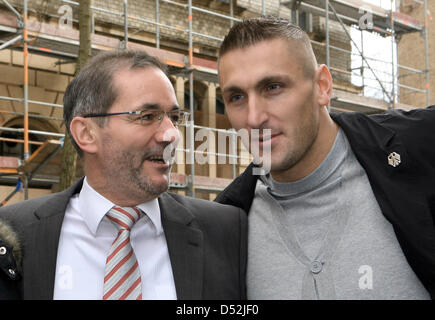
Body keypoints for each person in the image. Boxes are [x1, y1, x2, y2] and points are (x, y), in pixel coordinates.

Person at [215, 16, 435, 299]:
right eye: (236, 97)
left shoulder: (419, 149)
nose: (254, 117)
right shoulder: (227, 223)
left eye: (273, 87)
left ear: (322, 86)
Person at [0, 50, 247, 300]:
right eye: (147, 116)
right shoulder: (11, 233)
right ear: (86, 133)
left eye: (174, 117)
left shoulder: (225, 230)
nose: (172, 134)